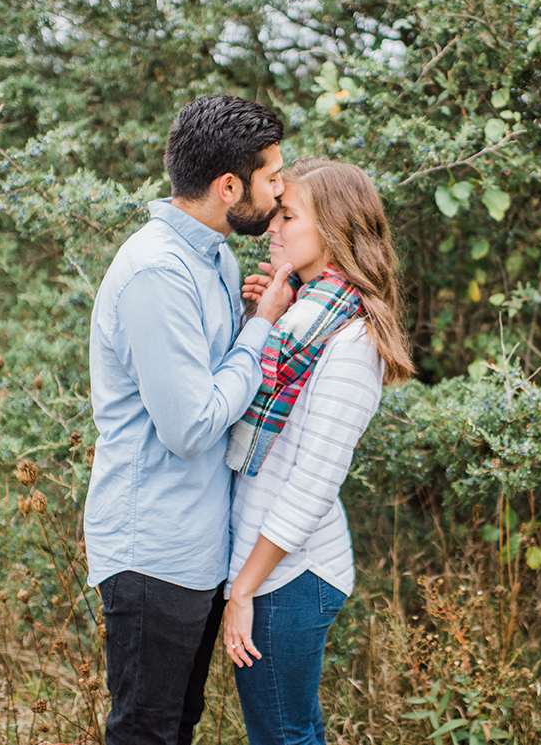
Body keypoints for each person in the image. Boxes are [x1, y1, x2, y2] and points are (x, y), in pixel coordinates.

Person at [84, 95, 296, 745]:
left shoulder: (219, 259)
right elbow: (191, 425)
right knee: (146, 731)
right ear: (228, 186)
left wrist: (250, 321)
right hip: (153, 548)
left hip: (200, 547)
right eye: (272, 176)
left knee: (178, 724)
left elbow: (216, 374)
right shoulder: (157, 271)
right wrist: (258, 330)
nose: (282, 188)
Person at [221, 158, 415, 745]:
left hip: (288, 576)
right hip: (269, 566)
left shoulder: (350, 338)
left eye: (287, 215)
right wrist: (260, 317)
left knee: (283, 737)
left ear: (331, 229)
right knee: (292, 731)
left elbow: (312, 483)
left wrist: (243, 590)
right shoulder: (300, 318)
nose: (271, 227)